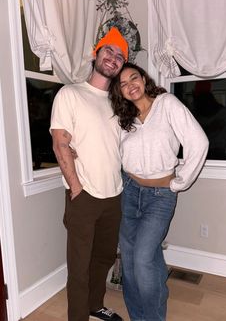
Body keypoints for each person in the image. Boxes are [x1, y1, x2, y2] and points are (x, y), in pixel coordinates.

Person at [109, 62, 209, 321]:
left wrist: (178, 183)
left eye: (134, 78)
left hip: (160, 197)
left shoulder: (167, 104)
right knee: (130, 262)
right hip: (129, 192)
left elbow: (198, 142)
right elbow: (111, 150)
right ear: (120, 92)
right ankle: (138, 316)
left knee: (142, 259)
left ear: (144, 78)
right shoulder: (124, 119)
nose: (131, 85)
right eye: (123, 84)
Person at [50, 27, 128, 321]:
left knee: (104, 258)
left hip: (114, 195)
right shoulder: (70, 93)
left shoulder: (117, 104)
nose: (113, 58)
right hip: (84, 195)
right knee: (79, 266)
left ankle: (95, 305)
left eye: (120, 56)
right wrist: (76, 188)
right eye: (109, 51)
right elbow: (60, 143)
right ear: (96, 54)